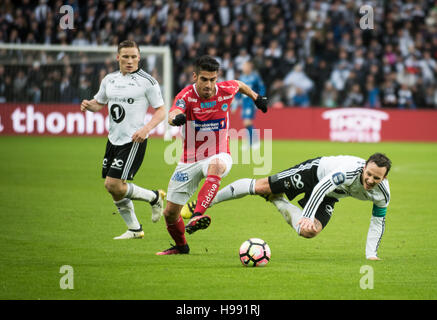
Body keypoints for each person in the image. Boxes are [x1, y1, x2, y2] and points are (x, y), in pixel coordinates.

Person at [156, 55, 268, 255]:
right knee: (170, 213)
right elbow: (173, 114)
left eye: (212, 79)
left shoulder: (225, 90)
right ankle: (181, 247)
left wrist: (256, 98)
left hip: (219, 152)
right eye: (204, 79)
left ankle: (198, 214)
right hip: (189, 159)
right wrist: (176, 119)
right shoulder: (186, 96)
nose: (209, 84)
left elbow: (240, 85)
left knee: (216, 165)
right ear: (194, 77)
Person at [183, 153, 391, 260]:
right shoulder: (347, 172)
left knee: (310, 231)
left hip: (331, 195)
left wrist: (371, 254)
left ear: (384, 178)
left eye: (377, 178)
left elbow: (377, 222)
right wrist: (307, 214)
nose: (370, 180)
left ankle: (277, 199)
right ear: (363, 168)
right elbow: (320, 187)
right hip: (315, 173)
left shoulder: (382, 195)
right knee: (261, 186)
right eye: (369, 174)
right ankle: (202, 205)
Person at [80, 40, 167, 239]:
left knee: (113, 185)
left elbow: (162, 111)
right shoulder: (109, 79)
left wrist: (146, 130)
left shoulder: (148, 81)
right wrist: (88, 105)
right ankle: (135, 229)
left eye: (134, 57)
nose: (130, 61)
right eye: (125, 56)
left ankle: (153, 197)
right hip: (113, 139)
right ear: (117, 57)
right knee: (115, 189)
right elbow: (99, 103)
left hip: (134, 140)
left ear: (139, 58)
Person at [232, 60, 266, 149]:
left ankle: (254, 142)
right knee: (246, 123)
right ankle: (251, 143)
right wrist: (235, 103)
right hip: (244, 103)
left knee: (247, 122)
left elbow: (262, 88)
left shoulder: (255, 77)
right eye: (243, 66)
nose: (244, 68)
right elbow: (239, 92)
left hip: (251, 102)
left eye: (245, 66)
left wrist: (259, 99)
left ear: (250, 67)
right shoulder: (242, 77)